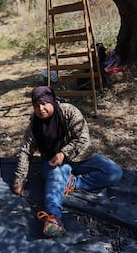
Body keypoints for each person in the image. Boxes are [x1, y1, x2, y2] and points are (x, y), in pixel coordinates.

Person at [13, 86, 123, 238]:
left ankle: (74, 183)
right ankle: (53, 217)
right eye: (36, 105)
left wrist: (64, 153)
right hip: (54, 162)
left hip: (81, 157)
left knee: (114, 172)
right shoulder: (34, 125)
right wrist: (19, 180)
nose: (41, 109)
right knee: (56, 178)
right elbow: (25, 151)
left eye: (44, 103)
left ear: (52, 101)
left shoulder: (69, 111)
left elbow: (83, 139)